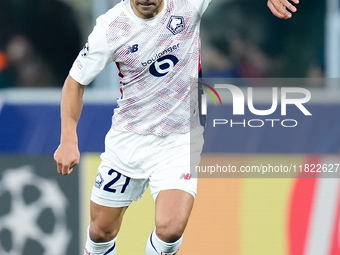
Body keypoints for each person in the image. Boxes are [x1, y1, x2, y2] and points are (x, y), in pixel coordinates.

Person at [54, 0, 299, 254]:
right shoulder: (111, 28)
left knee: (170, 229)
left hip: (180, 139)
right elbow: (75, 83)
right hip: (129, 139)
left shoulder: (187, 4)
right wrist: (68, 139)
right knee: (101, 231)